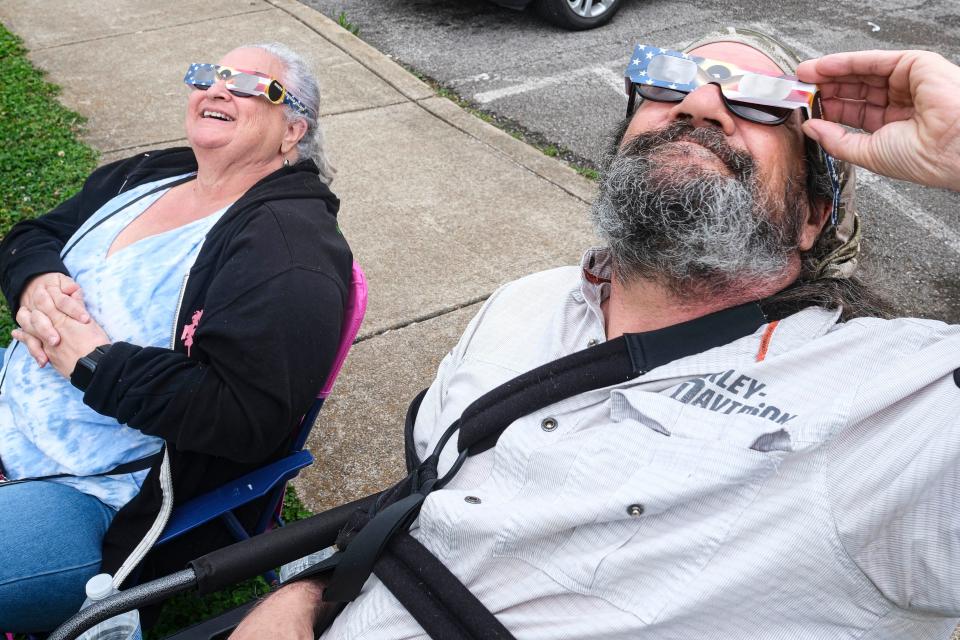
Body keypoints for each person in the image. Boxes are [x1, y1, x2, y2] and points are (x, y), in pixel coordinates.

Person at [232, 30, 960, 640]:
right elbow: (431, 496)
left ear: (811, 219)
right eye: (669, 83)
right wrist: (310, 592)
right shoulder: (528, 302)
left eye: (764, 102)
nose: (700, 103)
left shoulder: (885, 406)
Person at [0, 43, 351, 631]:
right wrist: (35, 279)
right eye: (209, 76)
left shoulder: (289, 252)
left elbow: (247, 417)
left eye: (249, 85)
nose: (218, 89)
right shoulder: (149, 175)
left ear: (293, 131)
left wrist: (92, 362)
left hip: (95, 491)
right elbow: (35, 233)